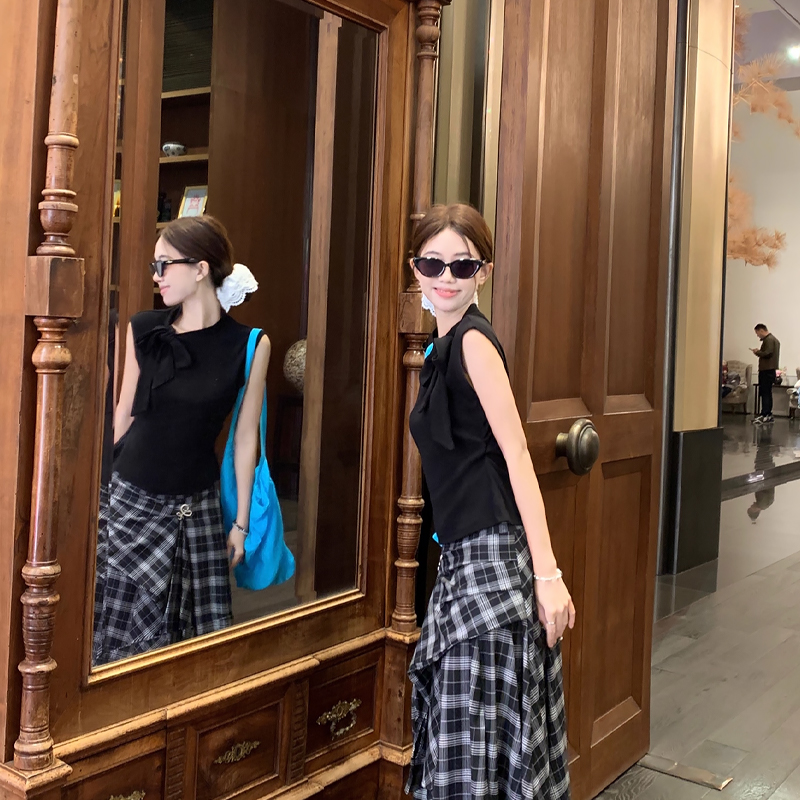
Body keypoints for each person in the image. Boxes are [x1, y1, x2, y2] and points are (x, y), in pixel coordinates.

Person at [406, 204, 573, 800]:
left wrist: (548, 575)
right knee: (474, 733)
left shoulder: (473, 342)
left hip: (492, 557)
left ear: (484, 272)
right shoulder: (441, 345)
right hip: (462, 555)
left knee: (474, 730)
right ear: (415, 268)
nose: (446, 277)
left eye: (463, 265)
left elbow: (517, 455)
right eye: (433, 263)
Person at [92, 215, 269, 665]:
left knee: (195, 648)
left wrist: (241, 524)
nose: (156, 276)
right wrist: (98, 497)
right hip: (129, 502)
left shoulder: (250, 344)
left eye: (164, 265)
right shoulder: (142, 328)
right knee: (118, 642)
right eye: (154, 266)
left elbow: (245, 438)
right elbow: (124, 413)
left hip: (196, 509)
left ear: (201, 268)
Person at [751, 323, 780, 424]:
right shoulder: (774, 340)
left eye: (757, 333)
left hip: (766, 370)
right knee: (767, 392)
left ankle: (765, 414)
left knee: (765, 393)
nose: (757, 335)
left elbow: (768, 353)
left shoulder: (769, 340)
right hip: (770, 370)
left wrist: (757, 352)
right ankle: (767, 414)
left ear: (761, 330)